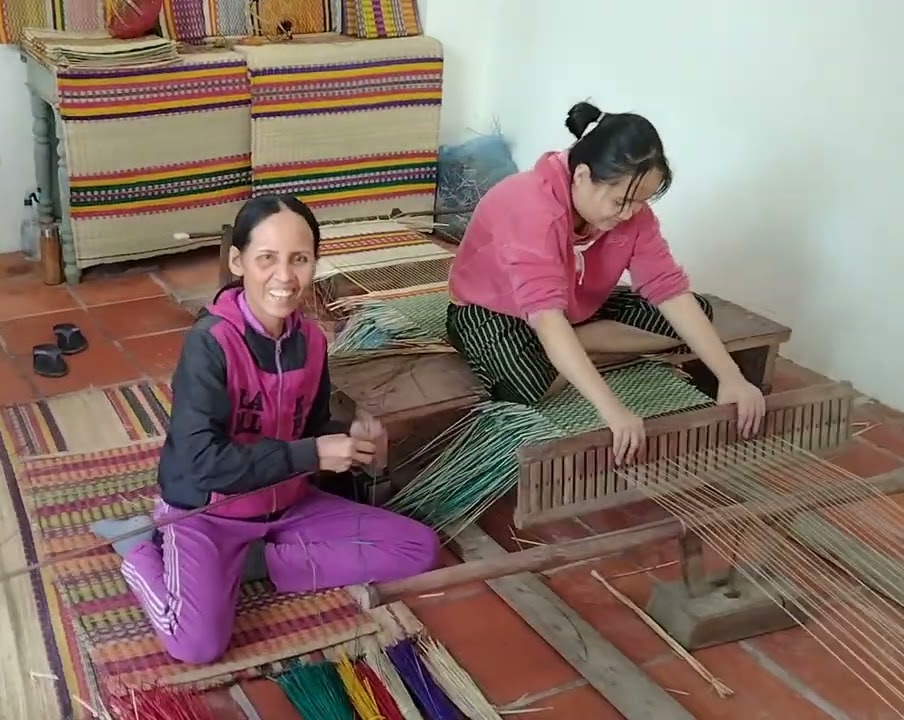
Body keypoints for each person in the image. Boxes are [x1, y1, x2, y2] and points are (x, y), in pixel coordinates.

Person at [90, 194, 439, 665]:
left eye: (300, 259)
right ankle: (138, 546)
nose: (285, 276)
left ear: (316, 260)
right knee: (196, 645)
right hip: (208, 513)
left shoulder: (312, 341)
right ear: (238, 261)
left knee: (417, 547)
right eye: (267, 259)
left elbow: (309, 428)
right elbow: (202, 463)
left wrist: (357, 442)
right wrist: (313, 455)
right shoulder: (210, 344)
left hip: (288, 504)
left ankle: (252, 561)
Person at [446, 101, 766, 463]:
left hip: (576, 302)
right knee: (524, 383)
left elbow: (668, 289)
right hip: (492, 310)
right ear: (581, 176)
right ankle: (581, 343)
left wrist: (730, 376)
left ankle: (578, 344)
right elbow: (547, 317)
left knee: (698, 313)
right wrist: (613, 410)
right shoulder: (530, 207)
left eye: (640, 202)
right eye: (620, 201)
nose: (630, 213)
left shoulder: (631, 213)